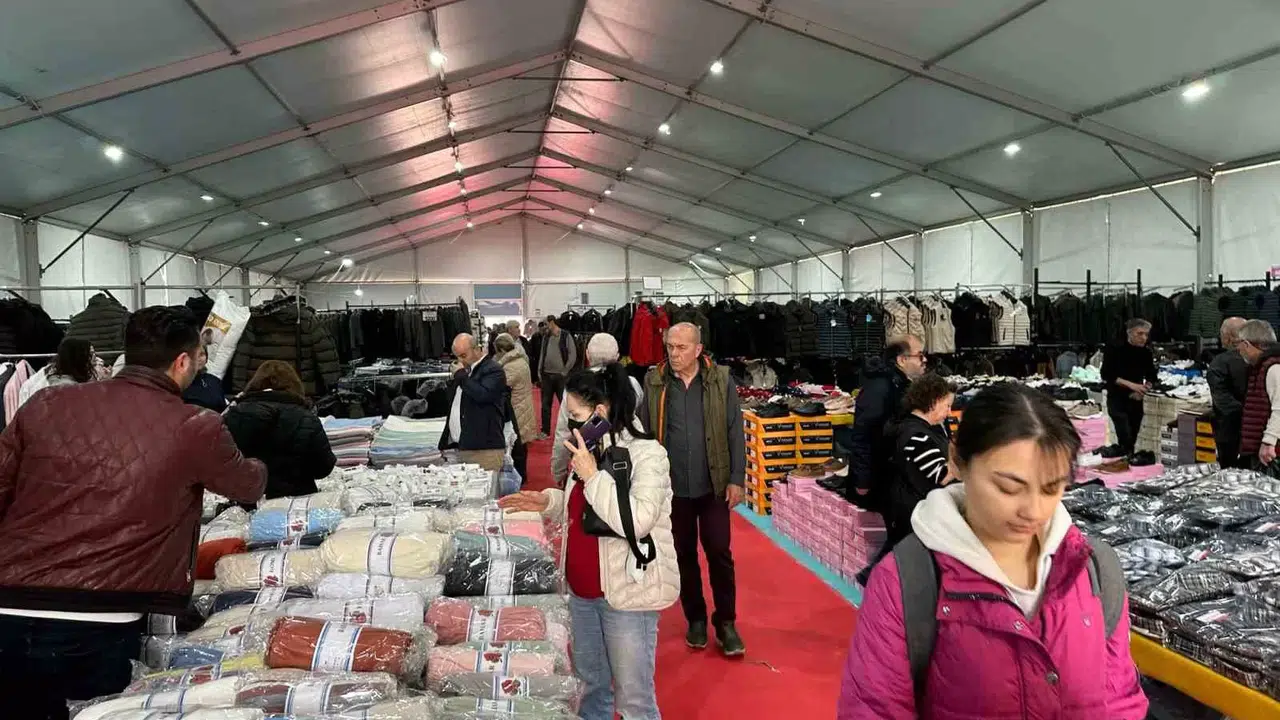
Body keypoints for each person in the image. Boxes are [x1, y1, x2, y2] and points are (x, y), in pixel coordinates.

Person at [0, 306, 266, 719]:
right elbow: (246, 484)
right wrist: (261, 465)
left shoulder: (46, 403)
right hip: (103, 615)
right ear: (182, 361)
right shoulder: (194, 425)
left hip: (10, 603)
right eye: (198, 359)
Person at [837, 383, 1148, 719]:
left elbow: (1120, 701)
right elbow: (874, 710)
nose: (1033, 511)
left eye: (1051, 488)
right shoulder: (907, 583)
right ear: (958, 461)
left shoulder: (1093, 570)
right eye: (1008, 488)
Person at [499, 364, 677, 720]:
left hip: (626, 595)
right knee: (589, 687)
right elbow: (587, 509)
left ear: (601, 411)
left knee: (634, 699)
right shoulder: (590, 447)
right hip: (582, 593)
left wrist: (592, 475)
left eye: (576, 416)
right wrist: (549, 501)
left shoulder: (647, 454)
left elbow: (637, 520)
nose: (571, 425)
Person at [643, 322, 746, 656]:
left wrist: (737, 478)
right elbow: (645, 431)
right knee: (682, 554)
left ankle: (726, 622)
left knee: (719, 553)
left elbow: (735, 431)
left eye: (681, 347)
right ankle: (696, 619)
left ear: (698, 350)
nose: (674, 354)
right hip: (673, 488)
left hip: (714, 484)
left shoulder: (720, 380)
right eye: (670, 347)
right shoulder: (655, 381)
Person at [223, 360, 337, 499]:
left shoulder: (235, 415)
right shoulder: (306, 417)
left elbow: (223, 463)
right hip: (298, 499)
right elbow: (324, 467)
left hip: (248, 499)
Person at [553, 333, 644, 487]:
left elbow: (563, 432)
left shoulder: (575, 389)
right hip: (627, 462)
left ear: (587, 355)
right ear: (617, 357)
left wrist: (559, 470)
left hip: (586, 461)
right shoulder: (632, 384)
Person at [847, 335, 926, 509]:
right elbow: (863, 434)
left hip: (894, 475)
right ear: (902, 360)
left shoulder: (900, 384)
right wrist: (863, 480)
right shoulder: (881, 388)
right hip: (879, 477)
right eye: (920, 355)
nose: (925, 360)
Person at [884, 373, 956, 549]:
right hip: (915, 512)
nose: (949, 412)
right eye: (947, 406)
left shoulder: (910, 427)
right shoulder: (918, 436)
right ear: (934, 402)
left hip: (908, 507)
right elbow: (942, 476)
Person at [440, 333, 510, 471]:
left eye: (463, 356)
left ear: (477, 349)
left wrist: (461, 375)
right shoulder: (466, 371)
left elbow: (483, 395)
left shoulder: (493, 370)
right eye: (457, 356)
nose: (460, 360)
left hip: (484, 449)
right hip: (461, 446)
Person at [1100, 318, 1158, 465]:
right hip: (1117, 399)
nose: (1144, 338)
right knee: (1124, 434)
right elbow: (1107, 375)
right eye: (1140, 334)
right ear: (1129, 333)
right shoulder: (1114, 349)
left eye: (1146, 334)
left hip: (1136, 400)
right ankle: (1124, 463)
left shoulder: (1146, 352)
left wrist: (1143, 390)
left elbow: (1152, 376)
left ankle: (1129, 465)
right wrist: (1133, 386)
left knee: (1132, 438)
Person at [1237, 319, 1280, 475]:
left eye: (1239, 344)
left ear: (1247, 344)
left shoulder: (1273, 368)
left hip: (1271, 453)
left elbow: (1279, 409)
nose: (1238, 350)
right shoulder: (1260, 367)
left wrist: (1268, 442)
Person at [494, 332, 536, 483]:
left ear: (501, 350)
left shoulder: (510, 366)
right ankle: (522, 475)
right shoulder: (519, 359)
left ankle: (519, 476)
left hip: (516, 407)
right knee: (520, 444)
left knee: (517, 444)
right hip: (522, 404)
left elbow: (500, 386)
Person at [1207, 317, 1248, 468]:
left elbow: (1223, 401)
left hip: (1229, 430)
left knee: (1231, 473)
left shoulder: (1220, 362)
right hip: (1258, 429)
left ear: (1227, 337)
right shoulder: (1257, 358)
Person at [538, 315, 577, 435]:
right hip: (546, 376)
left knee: (564, 405)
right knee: (545, 405)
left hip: (561, 377)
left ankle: (568, 430)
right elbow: (542, 354)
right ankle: (545, 430)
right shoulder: (546, 337)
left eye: (545, 324)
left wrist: (565, 371)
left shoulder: (566, 335)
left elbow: (572, 355)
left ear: (552, 322)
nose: (544, 327)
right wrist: (539, 370)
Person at [183, 332, 228, 413]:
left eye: (201, 354)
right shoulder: (180, 384)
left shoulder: (214, 381)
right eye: (193, 355)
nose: (198, 359)